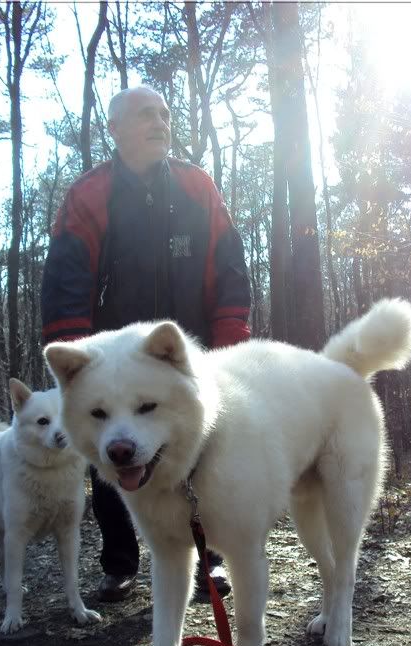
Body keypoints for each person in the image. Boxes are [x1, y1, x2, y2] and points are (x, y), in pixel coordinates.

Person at [41, 85, 251, 603]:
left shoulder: (197, 187)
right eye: (145, 115)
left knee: (202, 454)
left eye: (164, 114)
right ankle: (120, 563)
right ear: (115, 128)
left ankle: (207, 560)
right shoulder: (89, 195)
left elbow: (229, 268)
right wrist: (76, 367)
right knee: (114, 450)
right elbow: (66, 283)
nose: (160, 122)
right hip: (110, 363)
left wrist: (229, 348)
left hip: (186, 358)